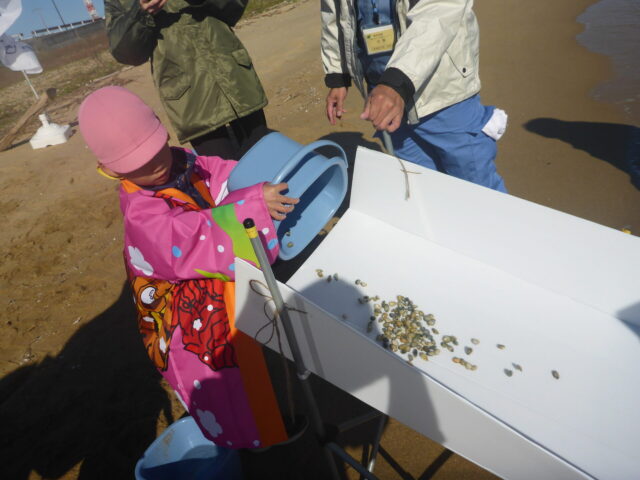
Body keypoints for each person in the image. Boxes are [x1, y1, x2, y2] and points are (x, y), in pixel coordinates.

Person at [78, 86, 299, 449]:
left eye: (157, 150)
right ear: (111, 171)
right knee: (224, 379)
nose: (155, 165)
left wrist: (253, 181)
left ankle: (268, 419)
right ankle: (255, 442)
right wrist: (250, 206)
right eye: (138, 165)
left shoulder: (182, 162)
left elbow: (221, 174)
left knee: (251, 361)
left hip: (215, 288)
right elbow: (190, 237)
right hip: (186, 316)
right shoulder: (141, 215)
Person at [321, 0, 508, 191]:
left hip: (442, 92)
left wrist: (397, 82)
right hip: (383, 95)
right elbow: (334, 12)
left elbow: (440, 9)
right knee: (422, 186)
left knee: (477, 187)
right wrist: (338, 73)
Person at [104, 0, 270, 159]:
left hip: (235, 78)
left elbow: (235, 6)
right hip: (190, 100)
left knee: (266, 156)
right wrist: (140, 14)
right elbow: (126, 53)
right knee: (223, 172)